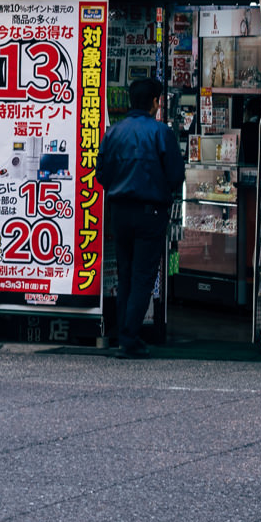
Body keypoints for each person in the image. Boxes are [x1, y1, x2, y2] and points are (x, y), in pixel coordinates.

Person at [95, 76, 184, 357]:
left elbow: (101, 175)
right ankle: (129, 336)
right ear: (156, 102)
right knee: (144, 276)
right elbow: (175, 176)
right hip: (150, 212)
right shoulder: (161, 133)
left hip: (119, 211)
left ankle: (124, 332)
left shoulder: (113, 132)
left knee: (126, 275)